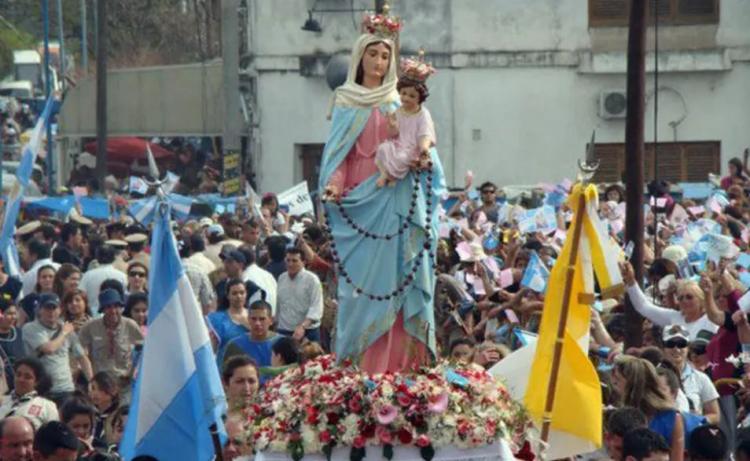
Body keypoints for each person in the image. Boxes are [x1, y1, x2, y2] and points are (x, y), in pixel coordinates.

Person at [318, 10, 443, 373]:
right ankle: (362, 364)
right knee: (361, 291)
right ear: (360, 57)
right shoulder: (346, 100)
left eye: (385, 55)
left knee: (401, 280)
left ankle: (403, 367)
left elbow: (422, 140)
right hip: (360, 198)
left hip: (397, 197)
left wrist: (422, 158)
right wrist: (334, 183)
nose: (378, 61)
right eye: (373, 54)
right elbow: (338, 155)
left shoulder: (399, 100)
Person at [374, 52, 436, 187]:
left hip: (411, 148)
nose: (406, 98)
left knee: (402, 158)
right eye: (404, 94)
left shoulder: (423, 114)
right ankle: (385, 174)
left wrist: (424, 148)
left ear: (420, 98)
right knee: (383, 148)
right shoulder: (398, 111)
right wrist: (392, 125)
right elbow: (393, 134)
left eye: (412, 96)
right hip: (397, 144)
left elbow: (425, 134)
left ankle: (393, 176)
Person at [21, 293, 92, 405]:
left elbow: (82, 357)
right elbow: (49, 349)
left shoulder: (66, 328)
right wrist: (64, 333)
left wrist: (91, 381)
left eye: (55, 308)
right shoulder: (30, 328)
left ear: (60, 310)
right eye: (47, 308)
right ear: (39, 310)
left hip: (66, 389)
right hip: (42, 391)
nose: (51, 312)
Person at [621, 261, 719, 340]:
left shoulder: (711, 320)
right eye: (680, 298)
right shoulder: (674, 317)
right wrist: (631, 281)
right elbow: (643, 306)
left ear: (700, 299)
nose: (684, 301)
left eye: (689, 297)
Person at [611, 356, 684, 460]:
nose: (614, 383)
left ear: (631, 383)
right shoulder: (620, 415)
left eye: (618, 379)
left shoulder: (672, 417)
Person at [660, 324, 720, 424]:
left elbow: (715, 415)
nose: (676, 349)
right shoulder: (651, 375)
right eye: (670, 344)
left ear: (688, 348)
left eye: (681, 344)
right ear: (663, 347)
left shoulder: (701, 378)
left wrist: (697, 421)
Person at [78, 289, 144, 378]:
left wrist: (131, 373)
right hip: (100, 382)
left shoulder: (130, 325)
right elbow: (79, 353)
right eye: (108, 307)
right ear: (103, 309)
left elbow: (141, 351)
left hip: (124, 381)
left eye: (116, 306)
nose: (113, 311)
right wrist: (90, 378)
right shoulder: (90, 327)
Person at [275, 248, 323, 343]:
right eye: (288, 260)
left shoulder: (312, 280)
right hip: (284, 329)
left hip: (307, 331)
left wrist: (303, 326)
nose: (290, 264)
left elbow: (316, 307)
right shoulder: (282, 278)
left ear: (303, 262)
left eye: (294, 261)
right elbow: (279, 304)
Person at [0, 357, 59, 429]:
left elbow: (53, 434)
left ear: (37, 382)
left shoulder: (47, 406)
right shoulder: (2, 401)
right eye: (18, 375)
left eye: (27, 377)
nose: (21, 379)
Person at [220, 300, 278, 372]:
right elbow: (226, 376)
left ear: (271, 320)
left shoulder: (282, 343)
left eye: (262, 319)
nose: (257, 323)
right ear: (248, 319)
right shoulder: (235, 346)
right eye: (253, 319)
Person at [207, 279, 250, 360]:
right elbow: (211, 348)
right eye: (234, 293)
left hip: (250, 365)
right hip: (225, 367)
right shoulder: (217, 319)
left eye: (242, 293)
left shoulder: (255, 316)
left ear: (246, 294)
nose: (239, 296)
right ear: (228, 296)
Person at [79, 245, 127, 313]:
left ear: (97, 258)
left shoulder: (88, 275)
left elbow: (82, 295)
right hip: (115, 313)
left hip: (93, 313)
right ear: (114, 257)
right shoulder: (122, 276)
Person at [88, 371, 121, 442]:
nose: (94, 393)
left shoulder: (118, 416)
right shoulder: (90, 413)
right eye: (93, 388)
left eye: (100, 389)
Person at [0, 298, 24, 390]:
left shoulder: (20, 333)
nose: (13, 317)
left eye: (15, 313)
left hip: (19, 386)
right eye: (9, 314)